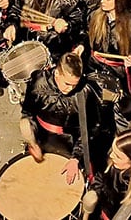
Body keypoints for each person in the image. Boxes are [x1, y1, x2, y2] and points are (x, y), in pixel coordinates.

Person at [20, 52, 103, 185]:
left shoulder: (86, 92)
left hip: (71, 142)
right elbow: (28, 111)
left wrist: (76, 158)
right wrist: (32, 139)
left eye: (74, 85)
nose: (70, 89)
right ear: (57, 73)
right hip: (43, 136)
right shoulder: (38, 82)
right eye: (67, 83)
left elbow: (92, 128)